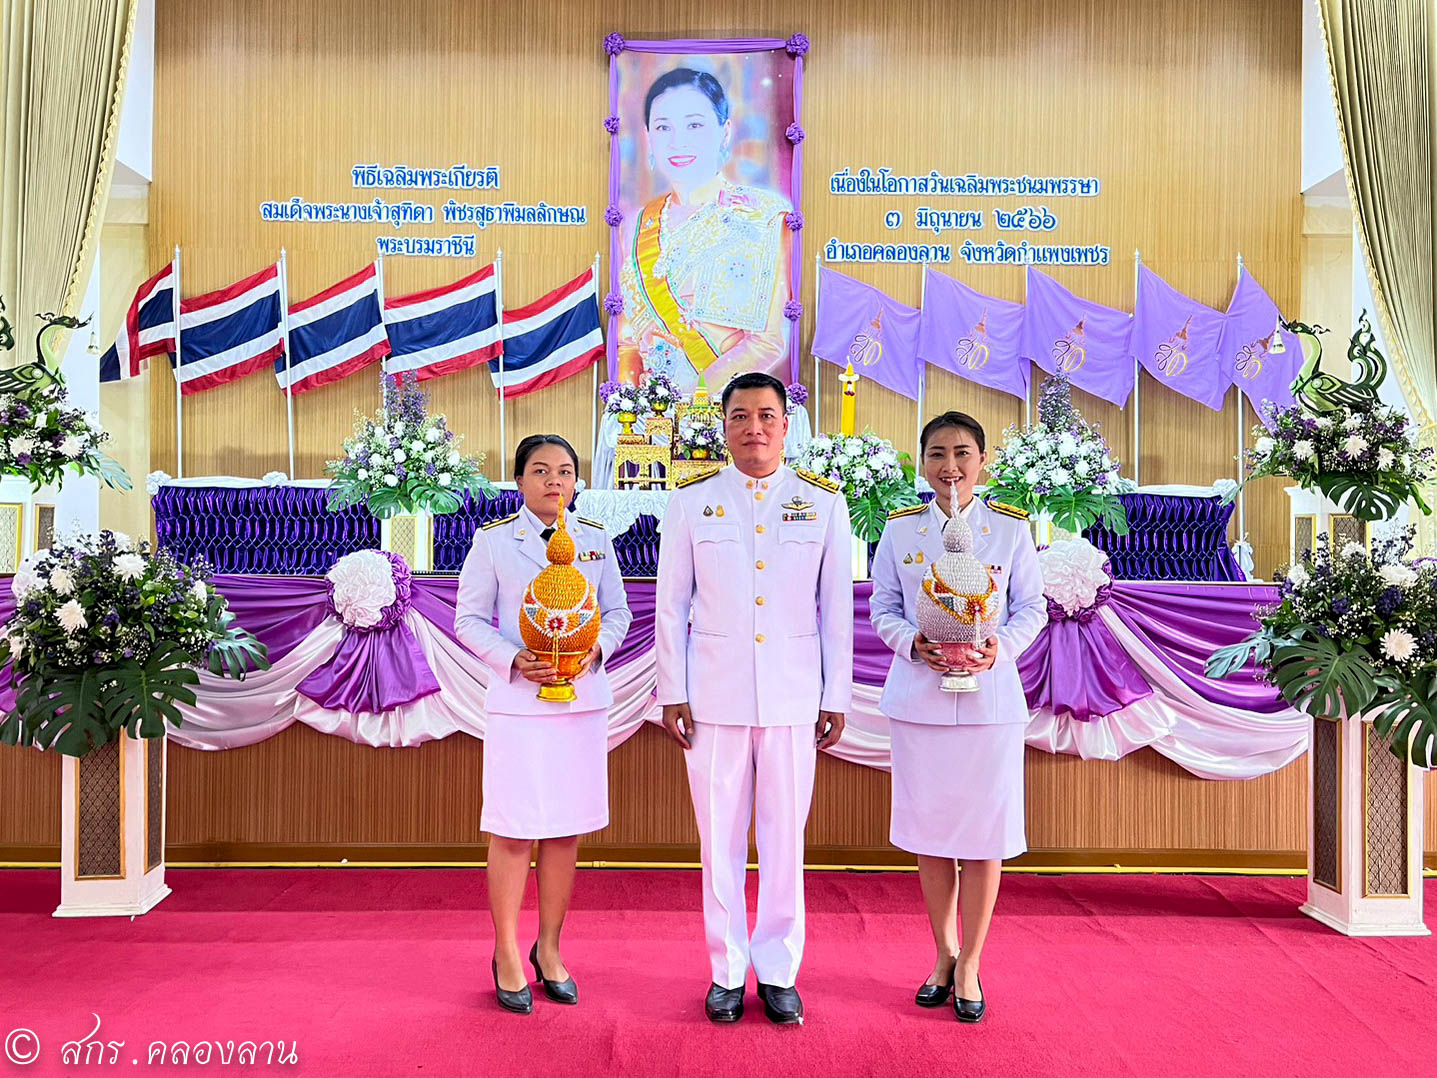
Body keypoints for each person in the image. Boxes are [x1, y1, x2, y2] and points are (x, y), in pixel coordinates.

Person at [655, 371, 852, 1025]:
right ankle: (725, 969)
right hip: (712, 696)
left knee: (783, 839)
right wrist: (673, 690)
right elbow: (671, 603)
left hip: (794, 695)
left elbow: (835, 610)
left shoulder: (822, 502)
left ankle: (778, 970)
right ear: (723, 426)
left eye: (766, 415)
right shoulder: (691, 501)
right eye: (740, 416)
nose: (754, 427)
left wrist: (834, 693)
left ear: (785, 424)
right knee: (718, 842)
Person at [868, 411, 1045, 1023]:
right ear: (921, 462)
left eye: (963, 453)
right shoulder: (899, 532)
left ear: (982, 462)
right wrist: (912, 643)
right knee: (932, 835)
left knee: (985, 836)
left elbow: (1032, 608)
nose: (951, 466)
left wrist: (1001, 649)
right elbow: (882, 607)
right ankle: (942, 954)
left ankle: (971, 961)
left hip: (989, 704)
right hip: (920, 702)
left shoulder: (1010, 531)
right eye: (938, 453)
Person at [455, 434, 632, 1015]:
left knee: (564, 830)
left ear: (578, 482)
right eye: (540, 470)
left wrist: (597, 651)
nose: (554, 481)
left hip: (579, 703)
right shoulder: (494, 543)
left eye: (564, 471)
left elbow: (619, 611)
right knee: (512, 829)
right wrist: (511, 657)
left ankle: (549, 949)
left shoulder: (598, 543)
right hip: (520, 707)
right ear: (520, 480)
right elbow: (469, 619)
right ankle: (506, 949)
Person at [617, 67, 793, 391]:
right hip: (648, 413)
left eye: (694, 125)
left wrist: (690, 401)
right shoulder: (634, 226)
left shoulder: (762, 217)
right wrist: (633, 399)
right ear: (649, 137)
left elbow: (766, 342)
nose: (678, 141)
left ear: (724, 132)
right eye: (663, 127)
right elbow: (628, 338)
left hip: (721, 411)